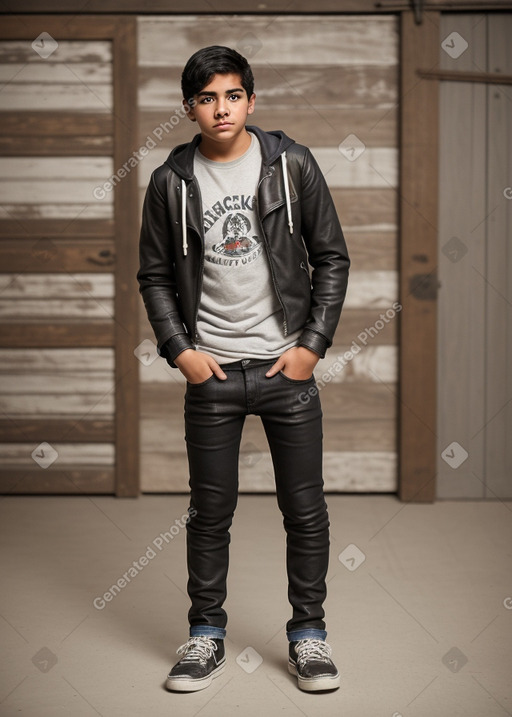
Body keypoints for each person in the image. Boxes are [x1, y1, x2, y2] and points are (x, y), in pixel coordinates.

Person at [137, 45, 350, 694]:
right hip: (215, 376)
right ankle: (205, 634)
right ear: (189, 108)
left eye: (231, 95)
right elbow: (153, 275)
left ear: (251, 102)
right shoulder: (172, 182)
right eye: (206, 98)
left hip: (288, 371)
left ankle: (309, 636)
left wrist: (313, 343)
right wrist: (181, 351)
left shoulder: (291, 164)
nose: (220, 108)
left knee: (305, 509)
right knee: (209, 511)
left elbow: (331, 257)